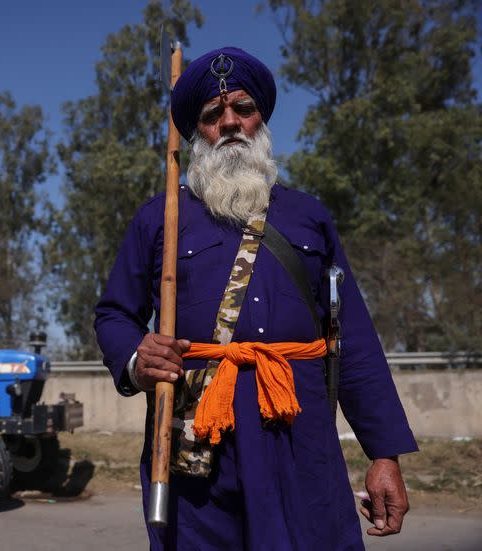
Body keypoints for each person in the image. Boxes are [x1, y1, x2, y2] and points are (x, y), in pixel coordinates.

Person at [94, 47, 418, 550]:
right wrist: (139, 357)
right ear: (196, 131)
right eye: (211, 115)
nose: (229, 123)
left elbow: (351, 336)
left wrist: (385, 454)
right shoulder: (161, 218)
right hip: (198, 438)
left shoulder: (308, 217)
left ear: (260, 118)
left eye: (242, 109)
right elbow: (115, 313)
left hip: (300, 433)